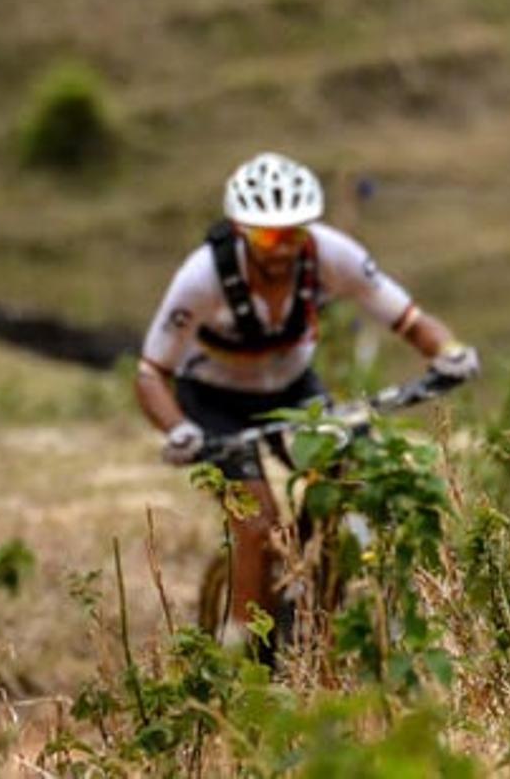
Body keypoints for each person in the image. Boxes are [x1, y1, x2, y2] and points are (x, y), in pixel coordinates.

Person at [134, 151, 479, 651]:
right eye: (267, 237)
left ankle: (323, 597)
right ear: (240, 230)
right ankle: (240, 657)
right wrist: (177, 429)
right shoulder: (203, 276)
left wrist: (448, 352)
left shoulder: (330, 255)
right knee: (258, 526)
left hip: (296, 393)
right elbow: (150, 373)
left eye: (294, 234)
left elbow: (406, 317)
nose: (281, 249)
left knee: (353, 476)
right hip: (214, 403)